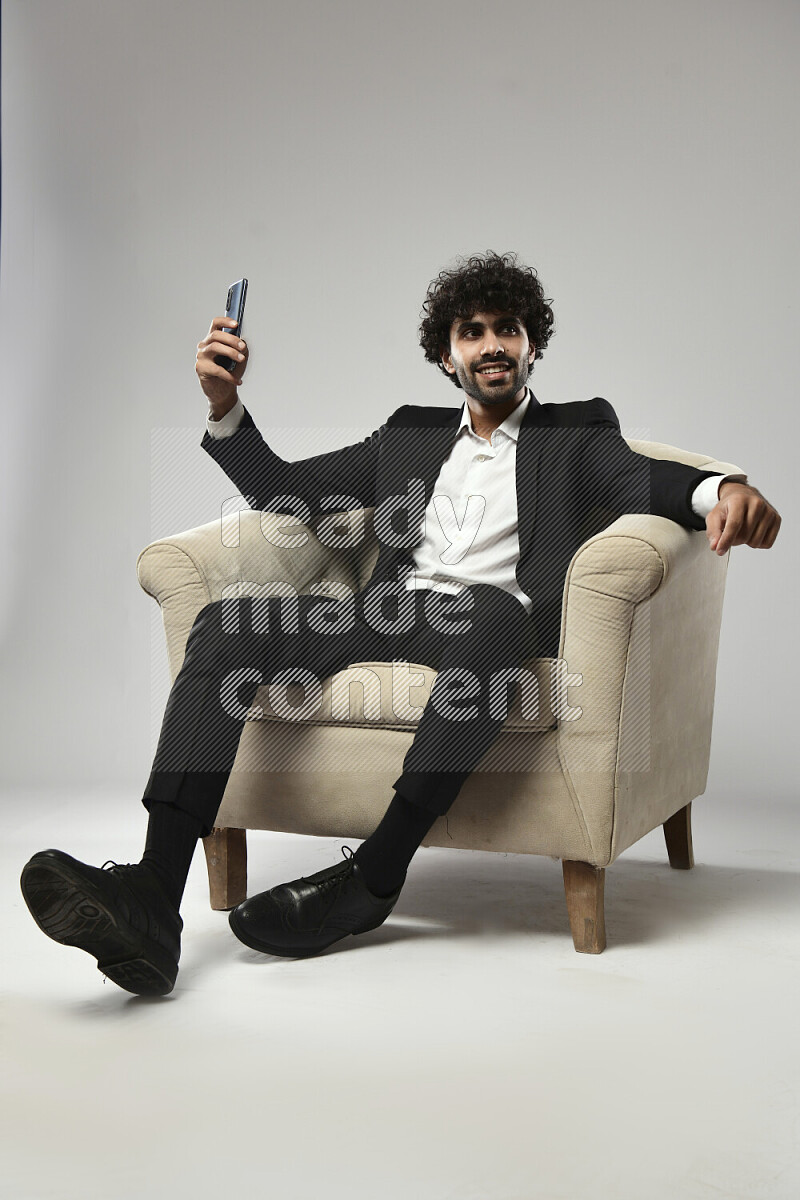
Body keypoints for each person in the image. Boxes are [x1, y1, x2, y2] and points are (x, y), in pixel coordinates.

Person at [20, 252, 781, 996]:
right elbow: (292, 495)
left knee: (488, 614)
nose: (492, 345)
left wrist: (722, 491)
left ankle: (375, 874)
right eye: (472, 332)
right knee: (224, 625)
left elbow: (640, 478)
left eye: (507, 329)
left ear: (531, 345)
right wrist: (226, 409)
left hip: (490, 625)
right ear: (448, 357)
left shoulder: (577, 432)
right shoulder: (409, 435)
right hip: (393, 612)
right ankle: (154, 895)